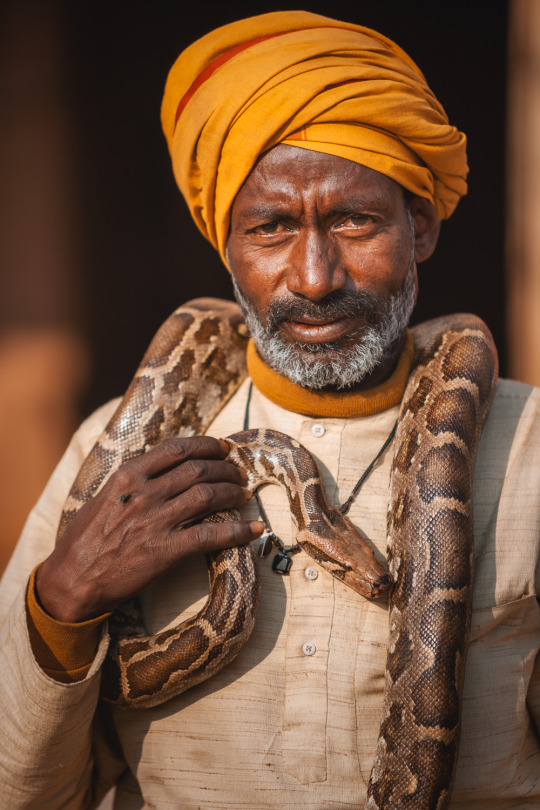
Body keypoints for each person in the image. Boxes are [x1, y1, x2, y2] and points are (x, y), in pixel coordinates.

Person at [1, 10, 539, 809]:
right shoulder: (113, 454)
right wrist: (61, 603)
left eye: (355, 220)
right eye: (271, 227)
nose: (316, 276)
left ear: (419, 226)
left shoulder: (529, 451)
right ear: (225, 244)